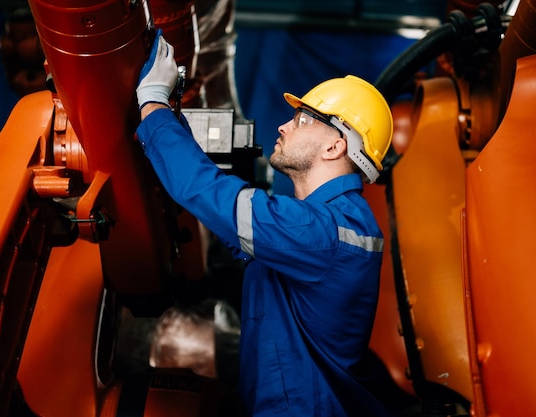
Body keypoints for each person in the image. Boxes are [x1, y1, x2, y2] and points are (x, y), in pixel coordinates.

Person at [135, 30, 395, 417]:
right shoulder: (332, 224)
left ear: (335, 146)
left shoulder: (323, 231)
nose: (284, 127)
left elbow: (211, 194)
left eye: (302, 119)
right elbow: (224, 215)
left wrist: (153, 105)